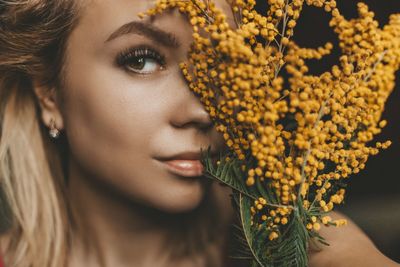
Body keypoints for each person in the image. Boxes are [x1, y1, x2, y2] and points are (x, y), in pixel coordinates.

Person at [0, 1, 398, 267]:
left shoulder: (298, 243)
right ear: (47, 91)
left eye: (223, 64)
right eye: (142, 60)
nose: (203, 109)